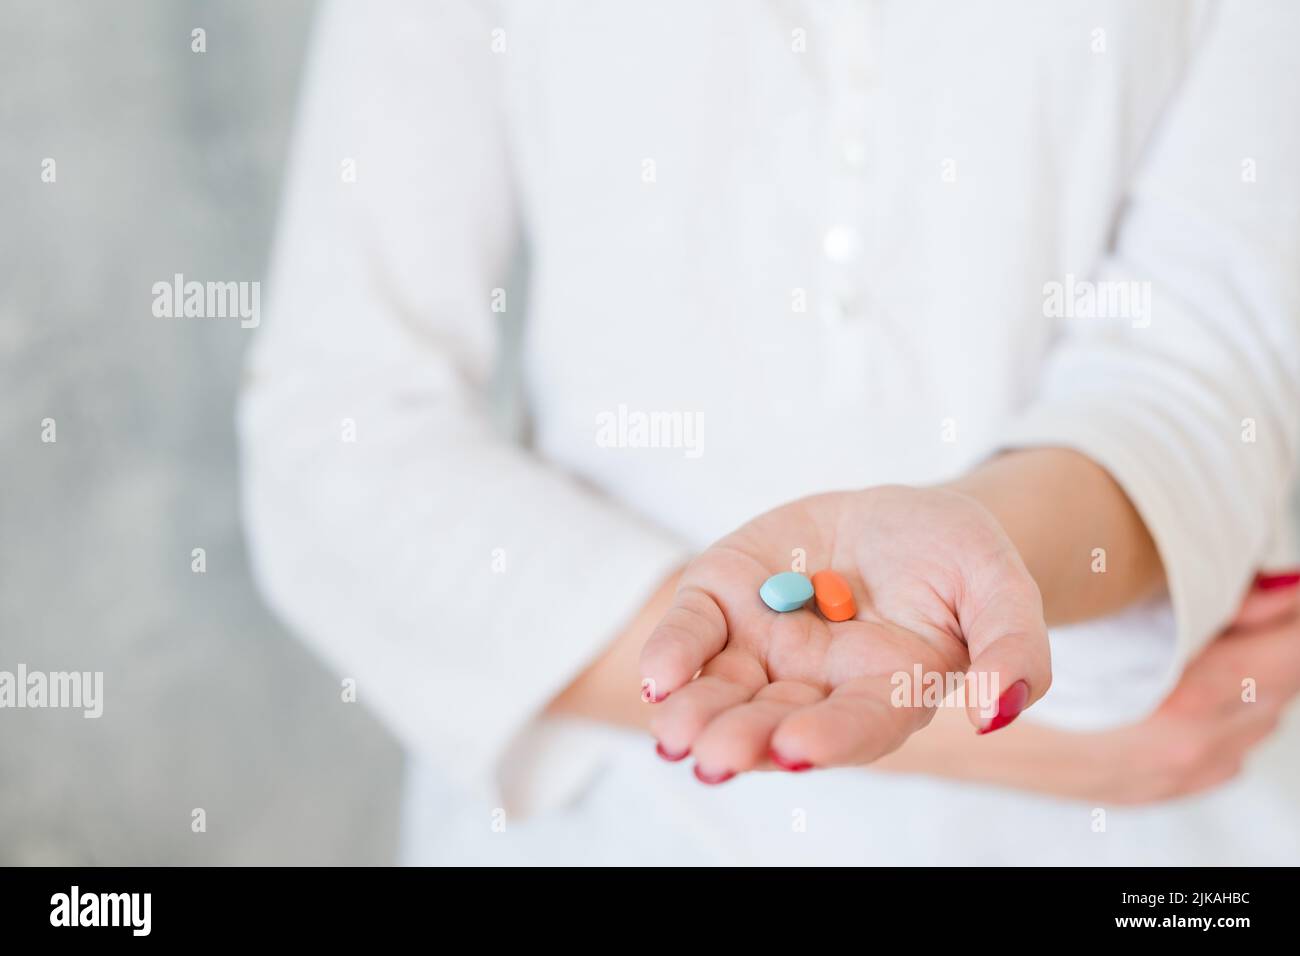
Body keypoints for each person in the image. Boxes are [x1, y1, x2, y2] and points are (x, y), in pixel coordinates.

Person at [239, 0, 1300, 864]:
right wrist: (973, 735)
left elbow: (1204, 367)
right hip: (616, 829)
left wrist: (973, 550)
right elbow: (339, 435)